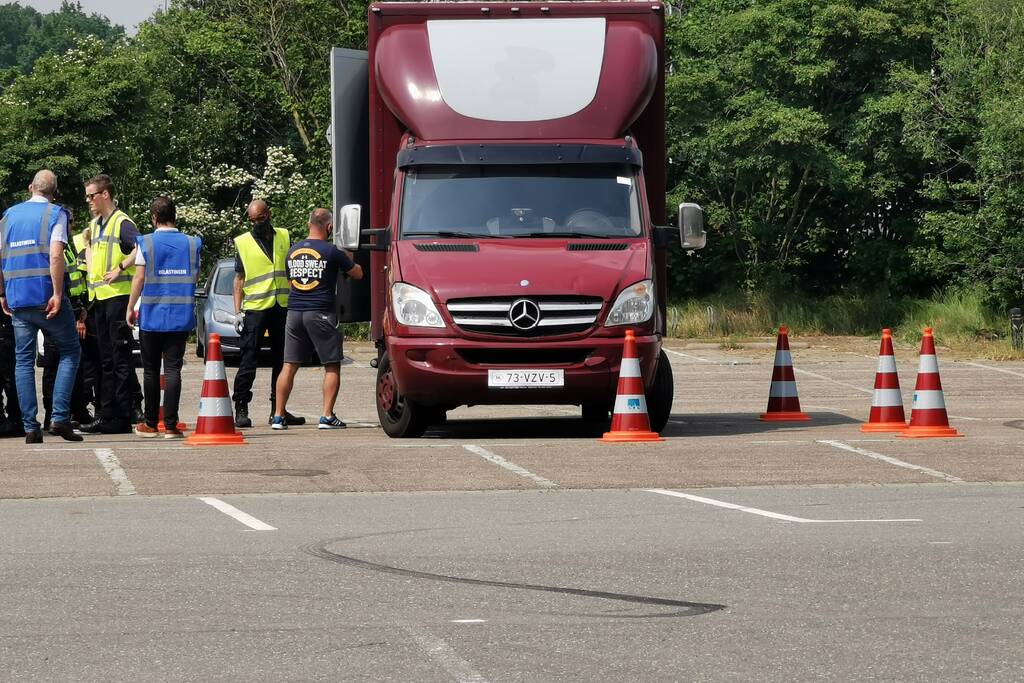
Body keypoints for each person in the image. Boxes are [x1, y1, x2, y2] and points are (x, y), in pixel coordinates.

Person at [0, 170, 82, 443]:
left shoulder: (9, 216)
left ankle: (30, 427)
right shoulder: (55, 214)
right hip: (46, 297)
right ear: (54, 192)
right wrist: (58, 293)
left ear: (30, 188)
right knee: (70, 350)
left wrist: (2, 293)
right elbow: (56, 255)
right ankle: (59, 418)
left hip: (18, 299)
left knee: (23, 361)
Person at [271, 208, 362, 430]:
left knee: (289, 365)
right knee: (331, 364)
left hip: (294, 313)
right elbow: (357, 273)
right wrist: (350, 253)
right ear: (329, 227)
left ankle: (278, 416)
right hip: (321, 312)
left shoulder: (292, 251)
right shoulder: (332, 251)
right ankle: (327, 416)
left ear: (308, 224)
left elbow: (293, 283)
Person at [126, 196, 201, 439]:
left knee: (150, 370)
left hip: (152, 315)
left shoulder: (146, 242)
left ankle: (150, 424)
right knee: (173, 370)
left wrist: (129, 307)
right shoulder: (192, 244)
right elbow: (196, 277)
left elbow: (139, 278)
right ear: (175, 216)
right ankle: (170, 426)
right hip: (180, 316)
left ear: (154, 218)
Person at [80, 174, 144, 434]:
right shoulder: (95, 225)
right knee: (106, 360)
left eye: (92, 195)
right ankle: (108, 414)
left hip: (117, 298)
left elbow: (140, 248)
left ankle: (120, 414)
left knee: (119, 360)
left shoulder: (122, 222)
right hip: (99, 299)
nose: (89, 201)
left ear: (105, 194)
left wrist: (120, 267)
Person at [231, 199, 304, 428]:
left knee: (282, 360)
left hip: (281, 305)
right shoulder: (242, 242)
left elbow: (290, 270)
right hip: (255, 309)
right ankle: (241, 407)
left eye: (260, 219)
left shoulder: (283, 235)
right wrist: (237, 312)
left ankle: (278, 410)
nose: (256, 224)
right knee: (248, 359)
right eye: (252, 220)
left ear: (269, 215)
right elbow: (239, 279)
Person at [41, 219, 93, 430]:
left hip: (70, 309)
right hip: (58, 310)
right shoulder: (54, 248)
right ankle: (52, 416)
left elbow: (75, 282)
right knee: (53, 365)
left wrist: (80, 309)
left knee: (72, 364)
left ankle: (74, 411)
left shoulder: (67, 248)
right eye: (68, 221)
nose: (70, 225)